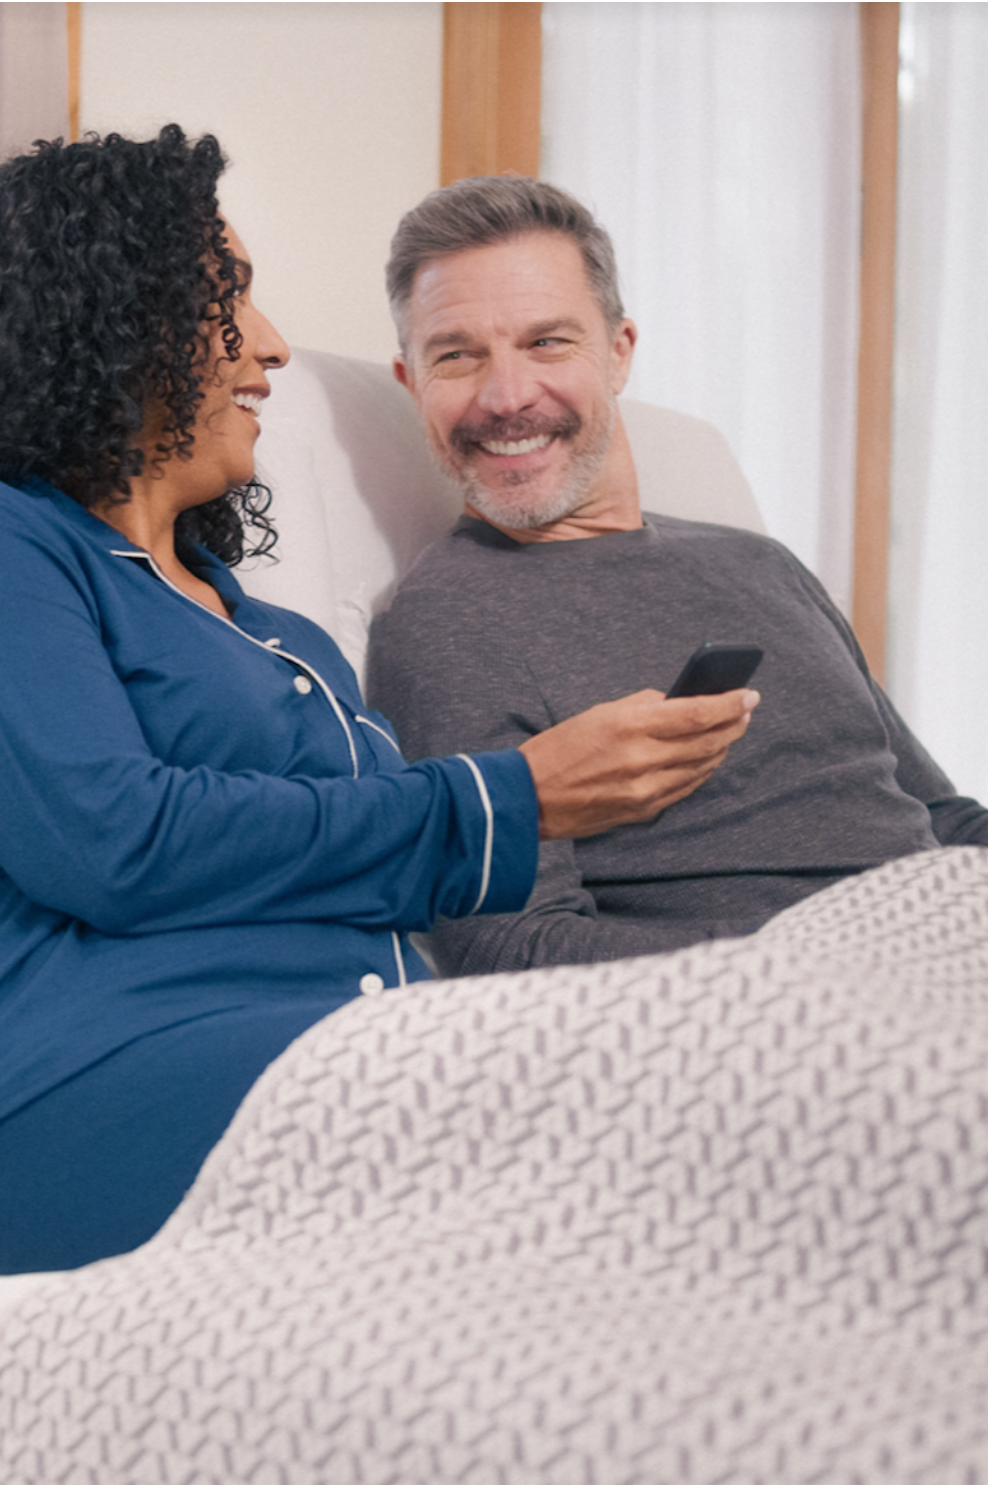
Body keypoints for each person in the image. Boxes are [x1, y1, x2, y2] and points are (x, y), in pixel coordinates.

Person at [0, 129, 755, 1278]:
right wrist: (507, 799)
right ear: (106, 321)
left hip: (337, 1059)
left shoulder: (287, 640)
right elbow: (112, 841)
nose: (269, 349)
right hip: (63, 1096)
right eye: (226, 305)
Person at [367, 175, 988, 978]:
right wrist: (848, 966)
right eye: (457, 355)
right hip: (798, 1005)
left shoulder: (760, 562)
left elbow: (940, 816)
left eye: (548, 342)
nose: (508, 394)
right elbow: (517, 946)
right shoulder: (444, 621)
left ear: (619, 351)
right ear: (411, 381)